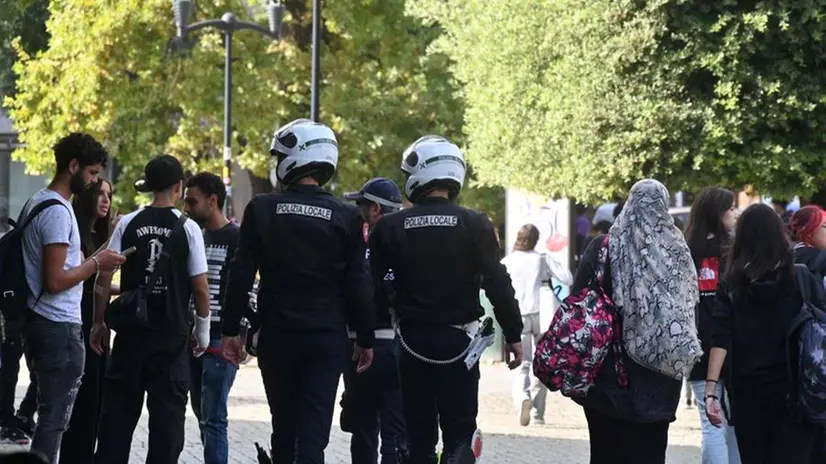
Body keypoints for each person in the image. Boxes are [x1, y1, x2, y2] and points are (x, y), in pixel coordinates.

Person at [221, 119, 376, 463]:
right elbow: (358, 284)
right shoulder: (347, 216)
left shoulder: (262, 209)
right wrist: (366, 338)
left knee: (284, 426)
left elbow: (241, 272)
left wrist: (229, 329)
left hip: (278, 334)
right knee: (313, 432)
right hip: (326, 337)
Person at [368, 135, 524, 464]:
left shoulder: (390, 226)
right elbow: (497, 281)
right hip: (460, 343)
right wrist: (513, 333)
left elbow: (377, 285)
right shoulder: (475, 223)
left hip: (411, 343)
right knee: (460, 433)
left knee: (417, 436)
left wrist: (368, 337)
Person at [92, 154, 211, 464]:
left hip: (131, 337)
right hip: (170, 341)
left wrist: (98, 322)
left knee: (116, 423)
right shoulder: (188, 228)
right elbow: (200, 287)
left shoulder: (128, 222)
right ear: (179, 187)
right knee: (167, 428)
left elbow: (103, 276)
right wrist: (203, 332)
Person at [573, 179, 701, 464]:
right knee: (650, 454)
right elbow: (689, 305)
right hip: (659, 377)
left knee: (605, 454)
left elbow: (578, 299)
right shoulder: (677, 252)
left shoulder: (603, 246)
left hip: (607, 374)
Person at [19, 133, 125, 463]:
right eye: (92, 173)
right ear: (74, 166)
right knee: (53, 423)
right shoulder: (57, 212)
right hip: (57, 326)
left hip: (43, 323)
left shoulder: (37, 201)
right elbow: (55, 280)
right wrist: (96, 263)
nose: (94, 181)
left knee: (52, 419)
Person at [706, 203, 822, 463]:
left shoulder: (731, 282)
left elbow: (720, 336)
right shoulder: (799, 277)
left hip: (748, 392)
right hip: (794, 390)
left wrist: (711, 390)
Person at [340, 177, 407, 464]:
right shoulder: (408, 247)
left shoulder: (357, 249)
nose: (359, 211)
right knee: (394, 434)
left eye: (362, 205)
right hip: (398, 347)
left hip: (360, 347)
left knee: (364, 430)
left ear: (376, 210)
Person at [183, 172, 244, 464]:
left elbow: (248, 288)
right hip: (193, 336)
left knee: (214, 416)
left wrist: (242, 334)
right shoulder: (194, 235)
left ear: (213, 200)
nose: (187, 208)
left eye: (192, 201)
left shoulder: (236, 237)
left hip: (221, 338)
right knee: (202, 412)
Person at [60, 178, 117, 462]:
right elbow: (83, 272)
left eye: (109, 194)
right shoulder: (76, 232)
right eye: (100, 194)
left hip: (99, 318)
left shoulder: (99, 233)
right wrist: (110, 243)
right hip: (79, 319)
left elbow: (99, 281)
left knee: (98, 396)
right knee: (81, 396)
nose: (106, 200)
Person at [684, 187, 741, 464]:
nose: (735, 214)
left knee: (711, 424)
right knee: (732, 423)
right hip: (730, 343)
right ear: (717, 214)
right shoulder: (734, 251)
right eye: (731, 209)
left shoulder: (685, 250)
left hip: (696, 345)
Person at [501, 223, 572, 427]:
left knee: (521, 364)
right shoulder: (542, 259)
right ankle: (538, 415)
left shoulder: (508, 261)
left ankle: (522, 399)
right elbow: (567, 278)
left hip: (518, 315)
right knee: (541, 364)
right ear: (536, 240)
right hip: (544, 314)